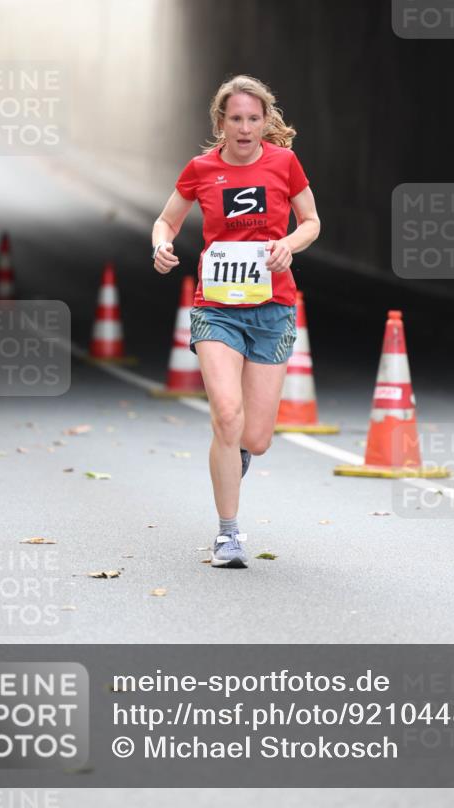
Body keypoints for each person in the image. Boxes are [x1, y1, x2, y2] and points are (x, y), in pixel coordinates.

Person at [152, 75, 320, 568]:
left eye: (253, 119)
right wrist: (161, 245)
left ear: (265, 122)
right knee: (227, 414)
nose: (245, 128)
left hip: (272, 309)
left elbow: (311, 222)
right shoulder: (201, 169)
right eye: (236, 119)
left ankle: (237, 451)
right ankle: (228, 535)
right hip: (217, 308)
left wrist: (288, 244)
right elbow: (167, 220)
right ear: (220, 122)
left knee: (256, 438)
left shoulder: (284, 163)